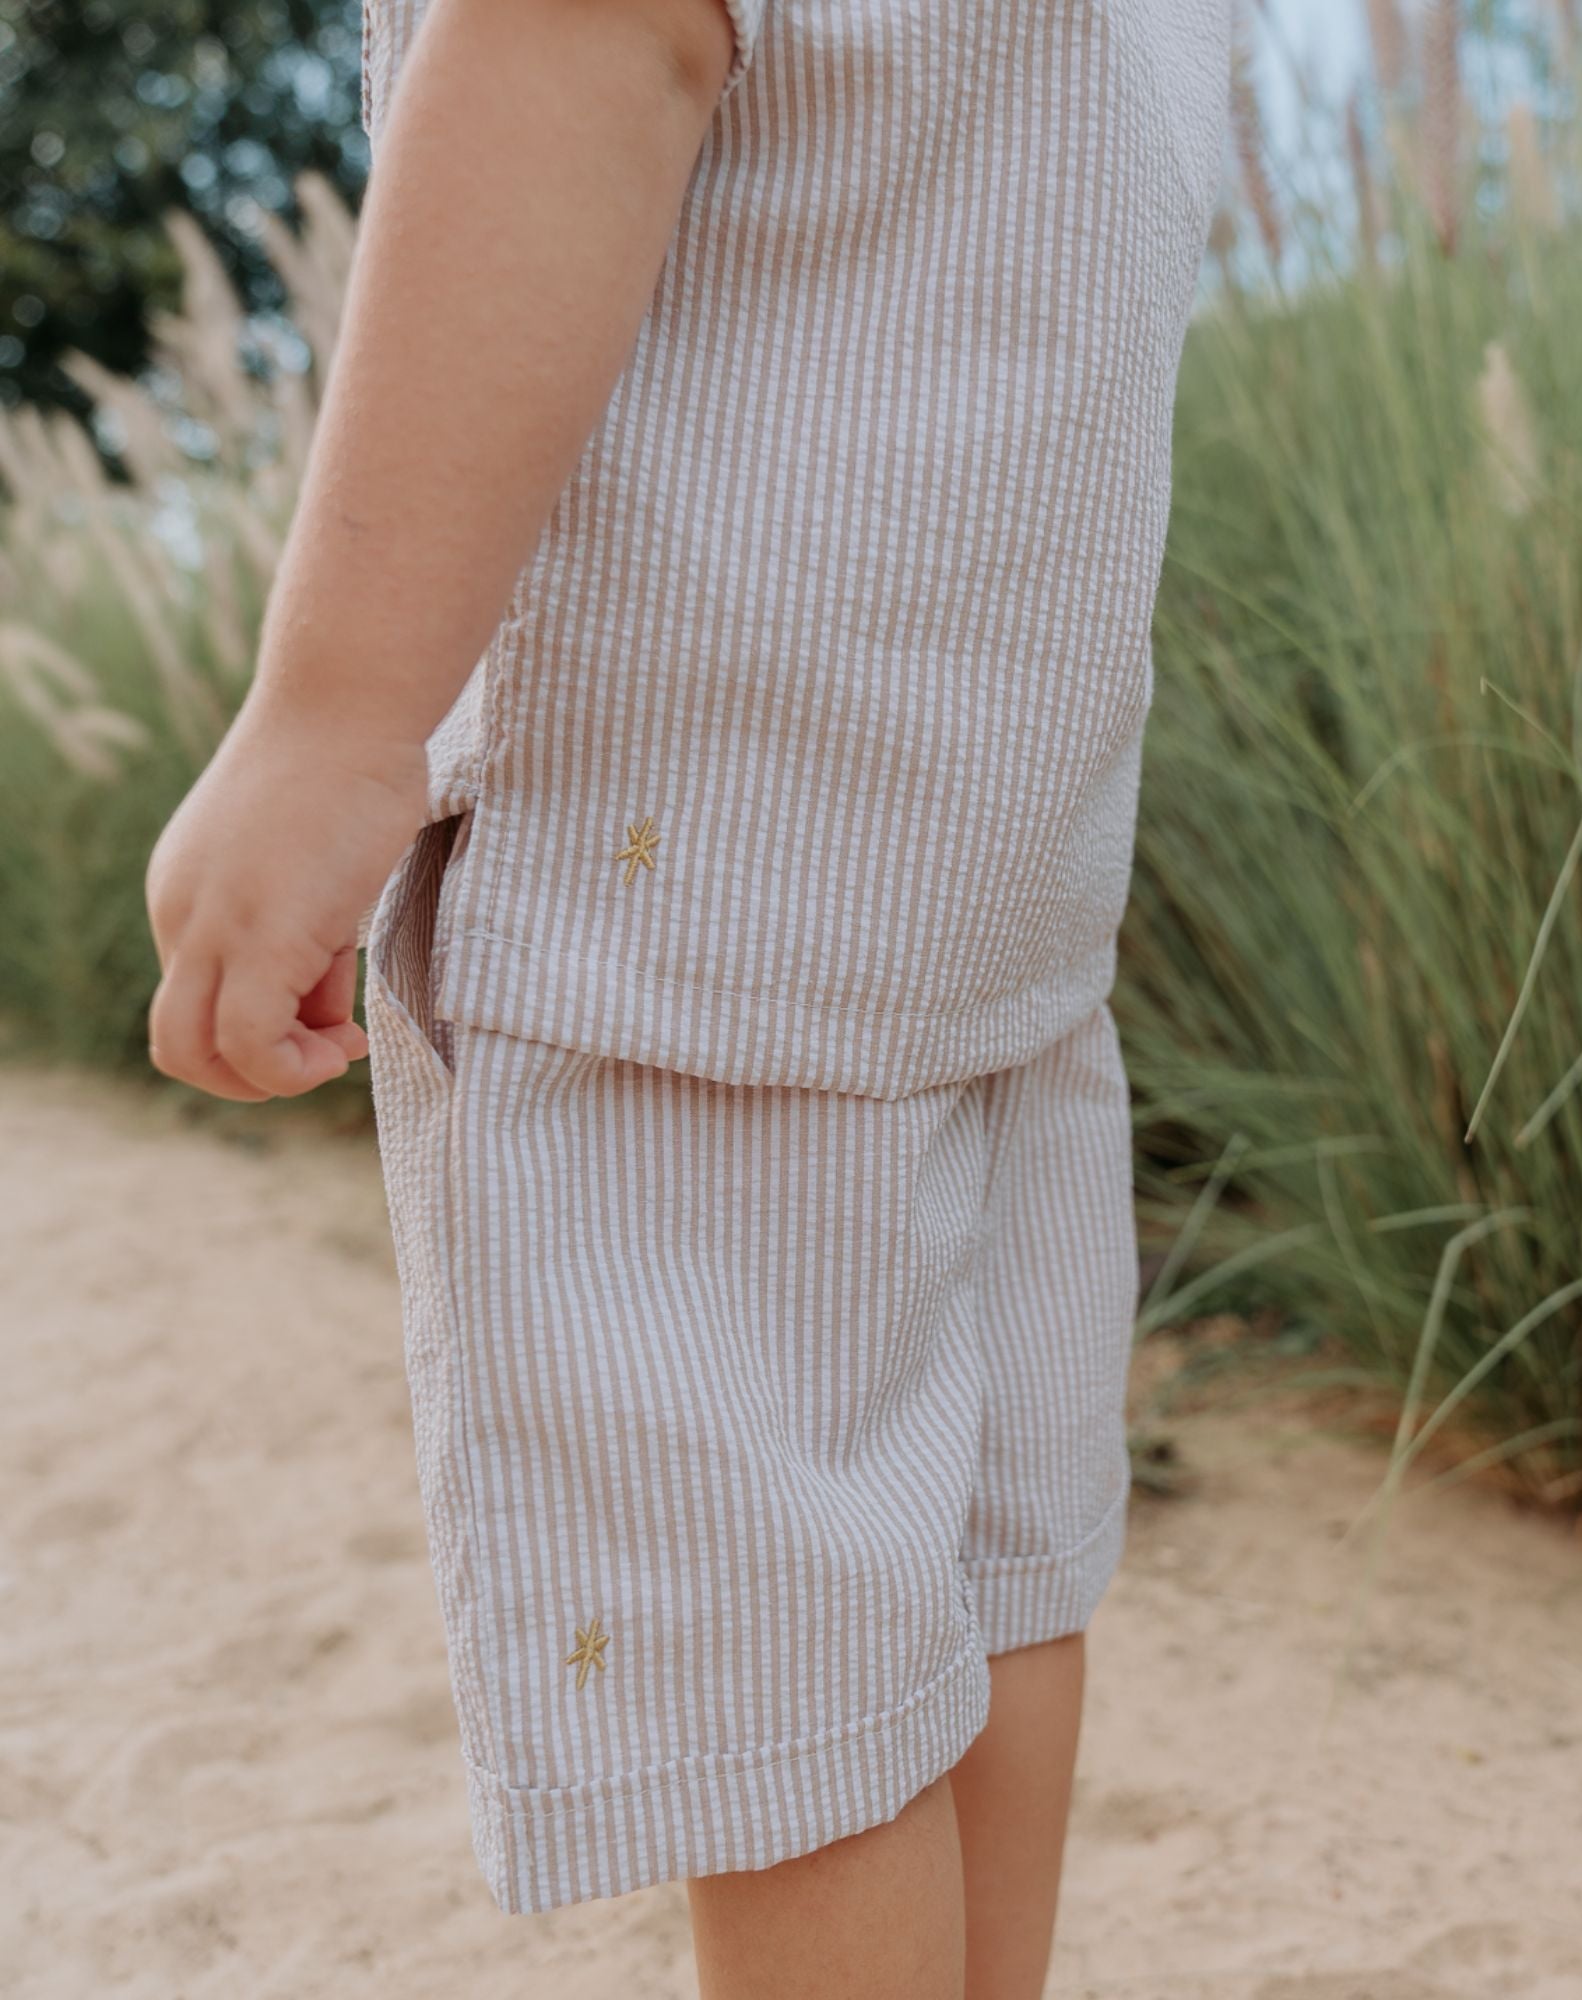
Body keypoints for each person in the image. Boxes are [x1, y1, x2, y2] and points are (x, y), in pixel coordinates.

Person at [144, 0, 1231, 1992]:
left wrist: (333, 715)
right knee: (979, 1570)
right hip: (1001, 888)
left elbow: (579, 41)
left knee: (789, 1709)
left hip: (695, 890)